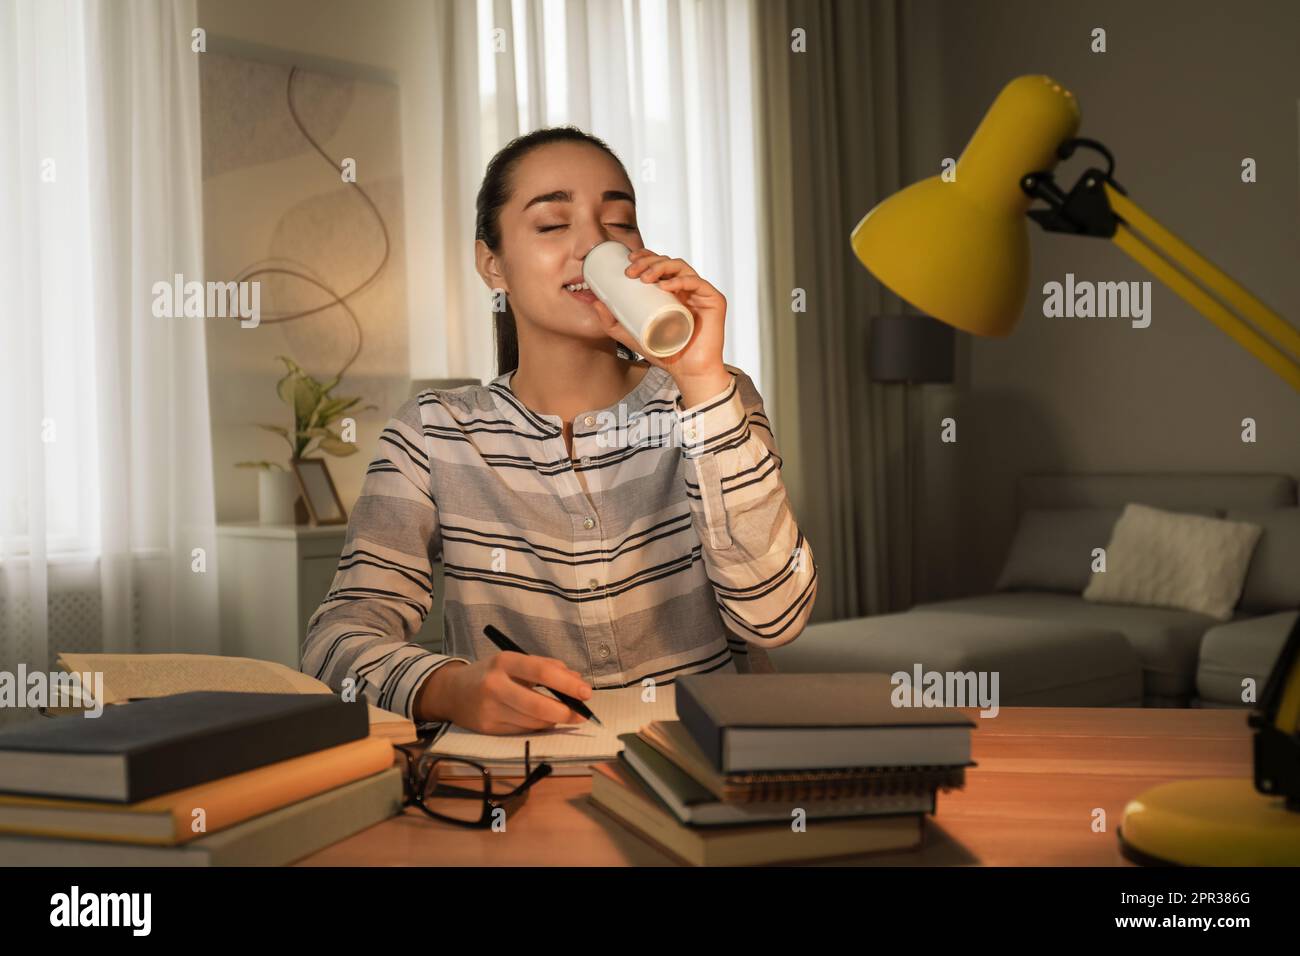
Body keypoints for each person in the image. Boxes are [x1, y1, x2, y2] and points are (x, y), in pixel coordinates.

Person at [301, 126, 818, 735]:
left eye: (619, 224)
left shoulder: (713, 400)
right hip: (525, 779)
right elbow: (333, 645)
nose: (594, 243)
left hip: (705, 767)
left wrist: (700, 379)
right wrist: (448, 687)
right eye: (552, 224)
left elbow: (774, 620)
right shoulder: (435, 432)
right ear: (493, 265)